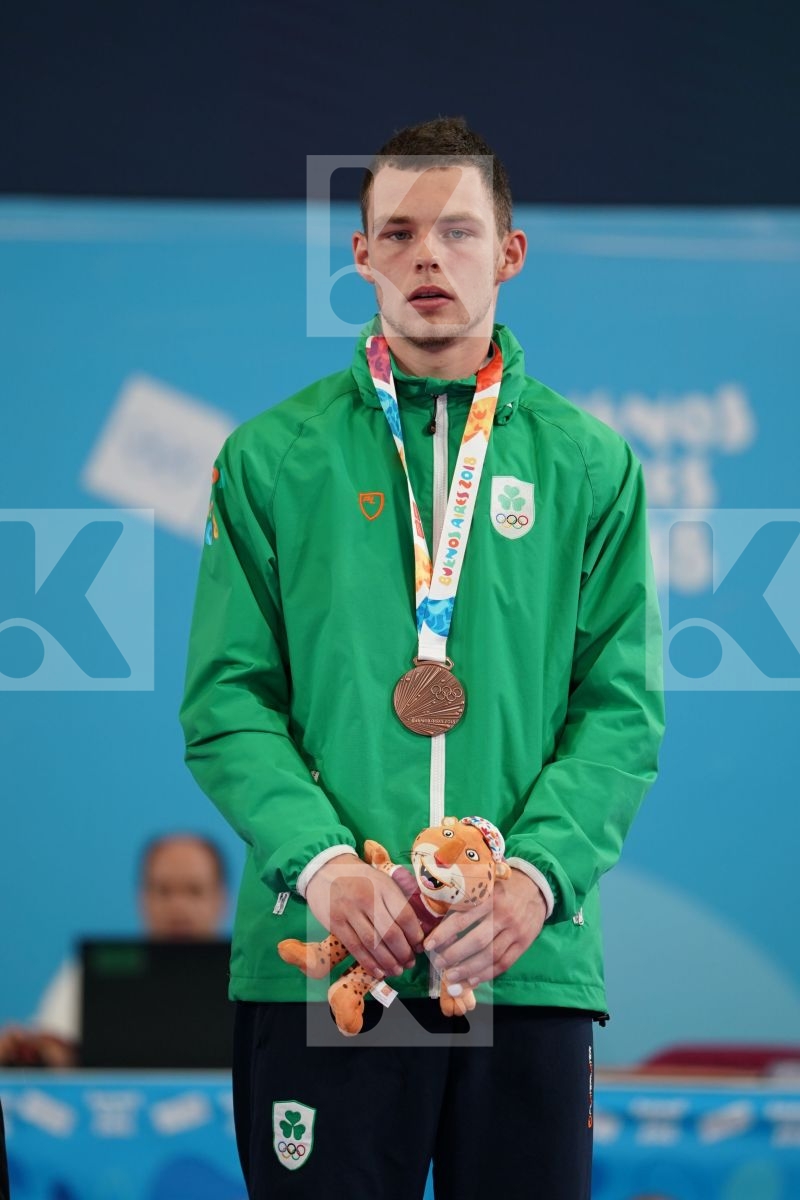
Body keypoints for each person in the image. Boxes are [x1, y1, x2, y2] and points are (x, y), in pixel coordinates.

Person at [180, 116, 665, 1199]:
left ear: (509, 252)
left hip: (522, 965)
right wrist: (326, 868)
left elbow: (619, 712)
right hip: (326, 963)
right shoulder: (269, 460)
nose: (426, 258)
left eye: (456, 231)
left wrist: (535, 882)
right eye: (395, 234)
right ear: (360, 258)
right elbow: (228, 702)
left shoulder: (590, 467)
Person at [0, 832, 229, 1067]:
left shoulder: (250, 977)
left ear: (222, 899)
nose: (178, 906)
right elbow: (54, 1047)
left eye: (194, 891)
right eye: (164, 891)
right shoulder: (89, 971)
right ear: (143, 898)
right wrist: (28, 1052)